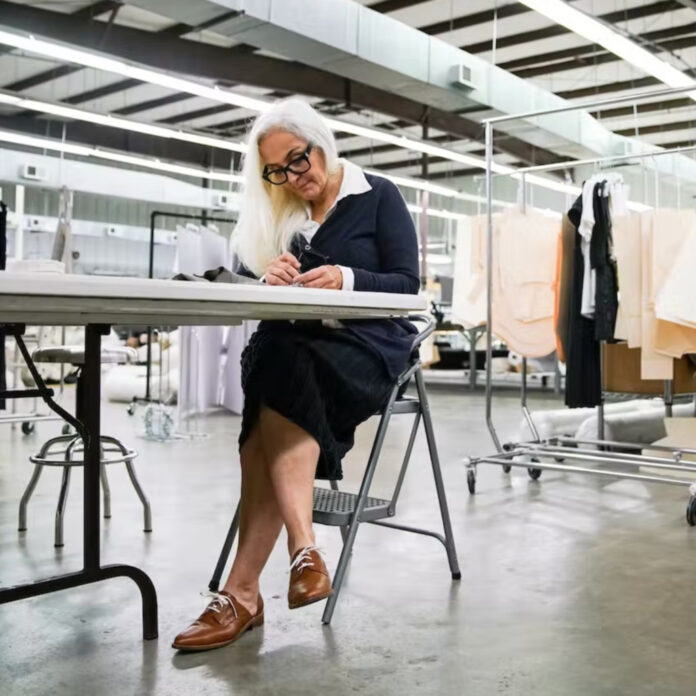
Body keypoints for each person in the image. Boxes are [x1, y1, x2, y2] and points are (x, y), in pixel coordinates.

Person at [173, 99, 420, 652]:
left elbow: (409, 283)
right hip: (298, 348)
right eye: (276, 171)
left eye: (297, 160)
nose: (290, 177)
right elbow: (257, 292)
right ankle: (299, 554)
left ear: (320, 142)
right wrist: (270, 277)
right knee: (276, 352)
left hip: (368, 345)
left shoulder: (377, 195)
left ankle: (243, 592)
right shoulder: (283, 216)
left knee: (272, 380)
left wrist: (347, 277)